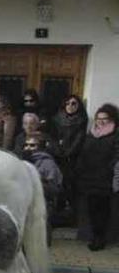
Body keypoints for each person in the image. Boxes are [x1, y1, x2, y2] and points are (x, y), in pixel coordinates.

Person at [75, 104, 119, 251]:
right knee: (92, 210)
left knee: (103, 211)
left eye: (104, 119)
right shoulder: (91, 134)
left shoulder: (115, 135)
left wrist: (108, 169)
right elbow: (83, 153)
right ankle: (95, 236)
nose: (100, 121)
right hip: (89, 178)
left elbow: (116, 156)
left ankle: (100, 239)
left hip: (105, 179)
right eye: (98, 118)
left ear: (112, 119)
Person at [53, 94, 88, 222]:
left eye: (74, 103)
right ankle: (57, 216)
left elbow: (79, 139)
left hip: (74, 158)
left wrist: (68, 153)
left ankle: (72, 217)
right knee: (58, 185)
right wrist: (57, 151)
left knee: (71, 187)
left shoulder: (81, 120)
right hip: (58, 157)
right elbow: (53, 138)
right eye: (68, 103)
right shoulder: (57, 119)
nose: (70, 106)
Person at [21, 134, 62, 241]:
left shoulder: (48, 163)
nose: (28, 148)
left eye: (32, 145)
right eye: (26, 145)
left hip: (43, 202)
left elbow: (54, 188)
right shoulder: (23, 160)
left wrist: (37, 181)